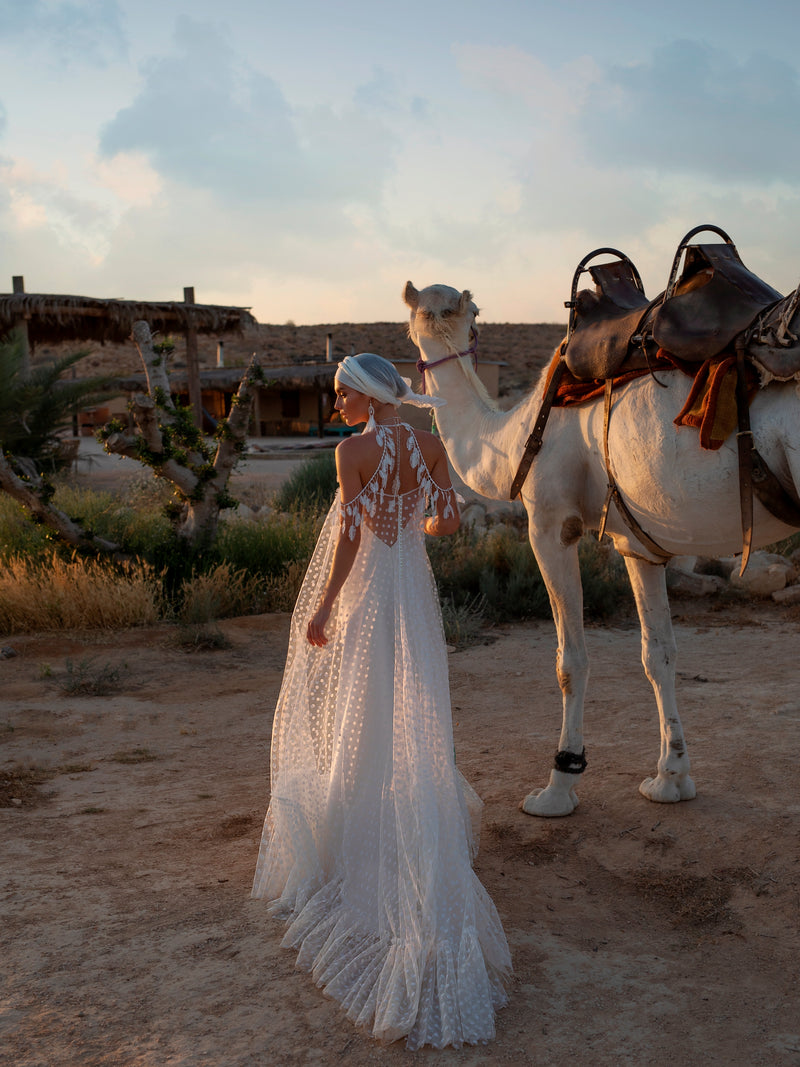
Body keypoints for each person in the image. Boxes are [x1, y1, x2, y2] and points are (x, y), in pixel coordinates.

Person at [251, 353, 511, 1049]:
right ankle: (410, 813)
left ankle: (355, 823)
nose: (335, 404)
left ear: (365, 395)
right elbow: (448, 524)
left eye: (340, 394)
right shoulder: (431, 446)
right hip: (415, 596)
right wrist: (419, 528)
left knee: (362, 704)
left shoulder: (352, 452)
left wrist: (325, 605)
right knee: (414, 703)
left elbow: (347, 536)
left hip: (370, 593)